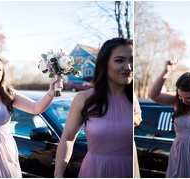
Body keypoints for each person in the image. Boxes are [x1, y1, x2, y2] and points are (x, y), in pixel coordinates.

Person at [54, 38, 136, 178]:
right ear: (104, 64)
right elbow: (67, 138)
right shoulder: (83, 99)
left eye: (132, 60)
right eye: (119, 60)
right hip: (95, 171)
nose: (128, 67)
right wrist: (58, 175)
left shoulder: (133, 99)